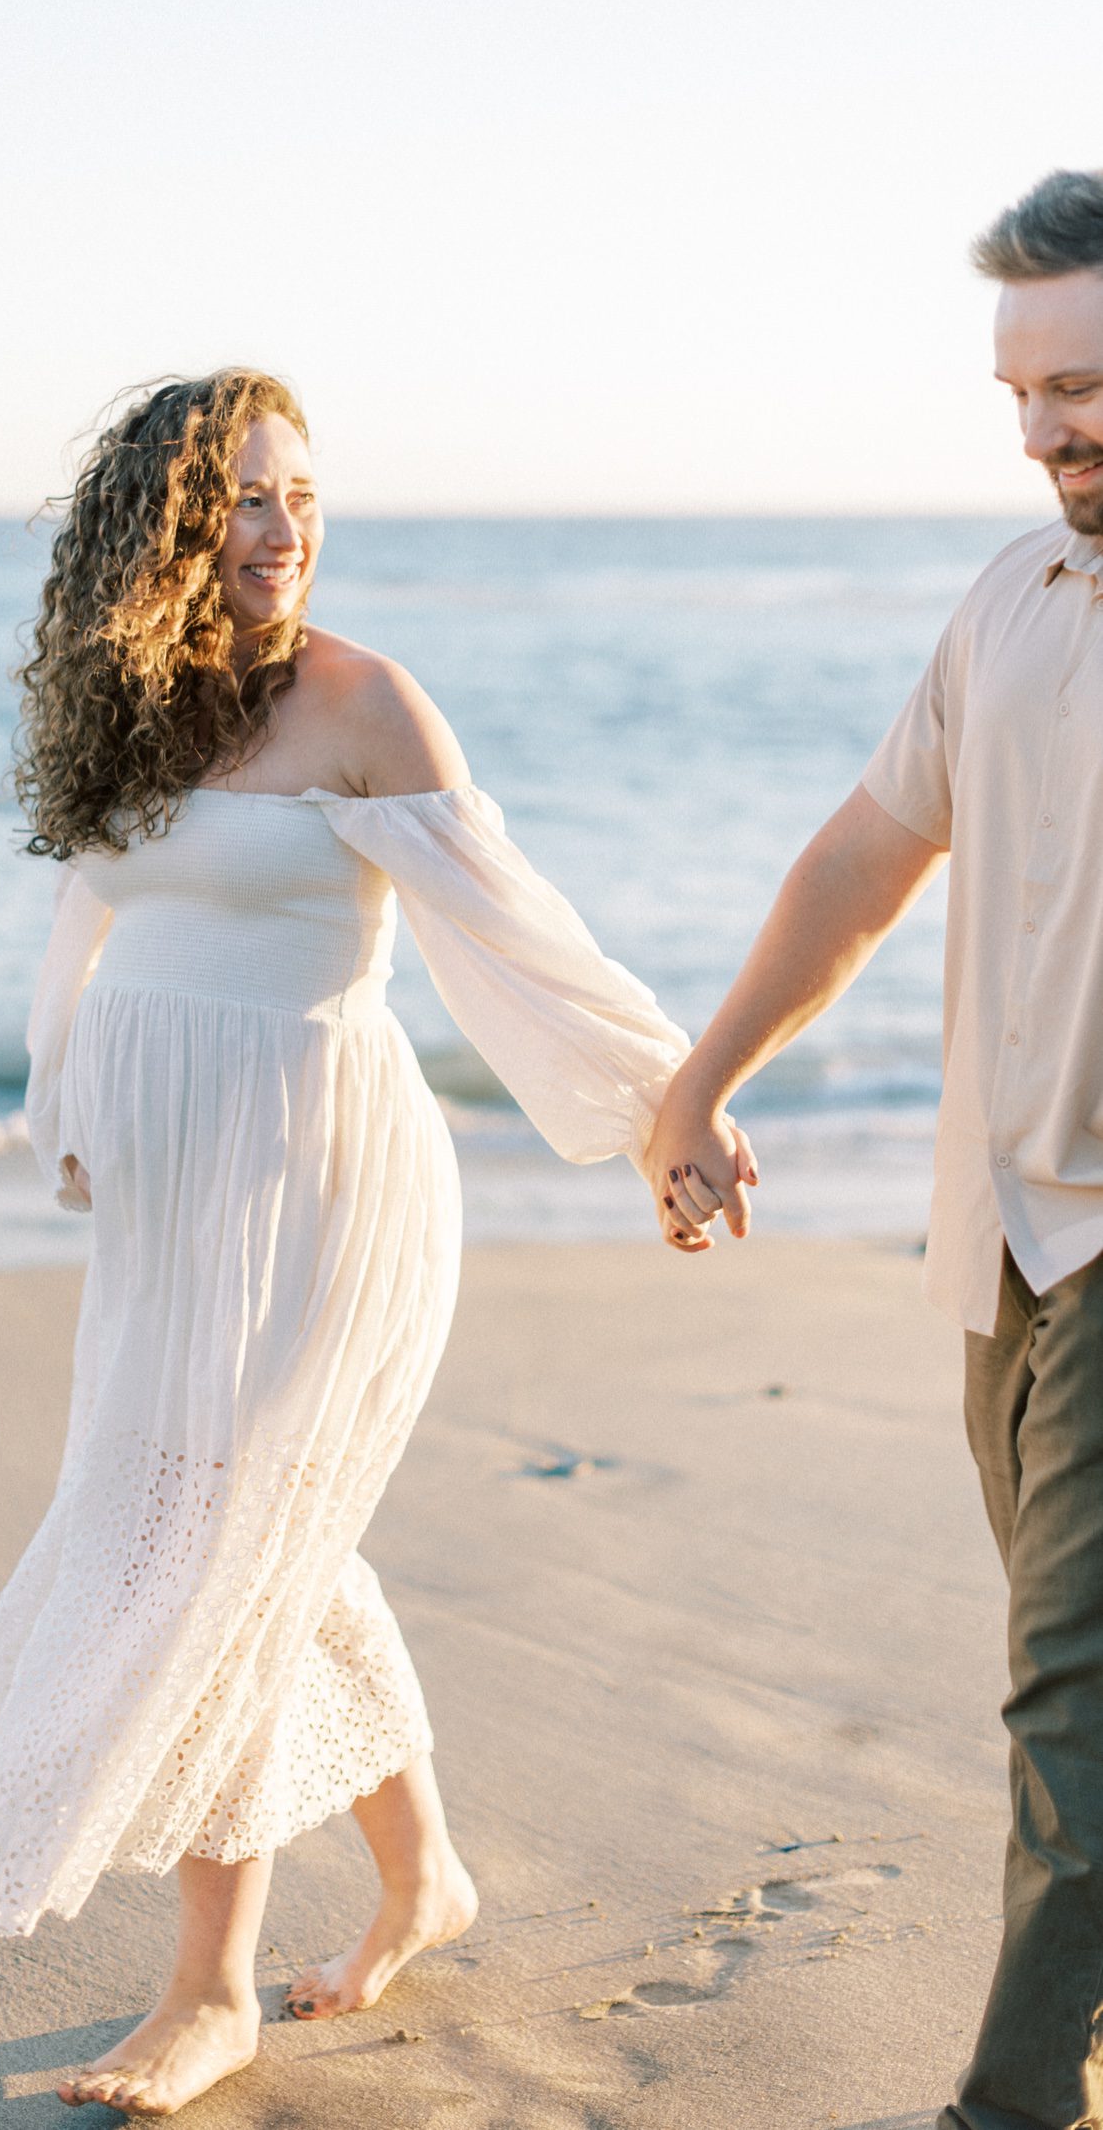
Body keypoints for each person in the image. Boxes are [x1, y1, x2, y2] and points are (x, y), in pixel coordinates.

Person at [0, 369, 731, 2117]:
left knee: (217, 1542)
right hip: (175, 1197)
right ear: (160, 533)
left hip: (328, 1190)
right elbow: (89, 908)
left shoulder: (364, 705)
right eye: (241, 503)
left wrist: (671, 1107)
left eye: (300, 497)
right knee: (260, 1531)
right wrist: (71, 1101)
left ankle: (212, 1989)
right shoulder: (129, 713)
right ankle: (427, 1877)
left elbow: (523, 936)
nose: (283, 533)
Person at [645, 169, 1103, 2130]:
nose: (1043, 430)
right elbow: (864, 855)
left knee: (1070, 1719)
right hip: (1000, 1242)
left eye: (1081, 383)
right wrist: (700, 1074)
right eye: (1018, 392)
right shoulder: (1011, 596)